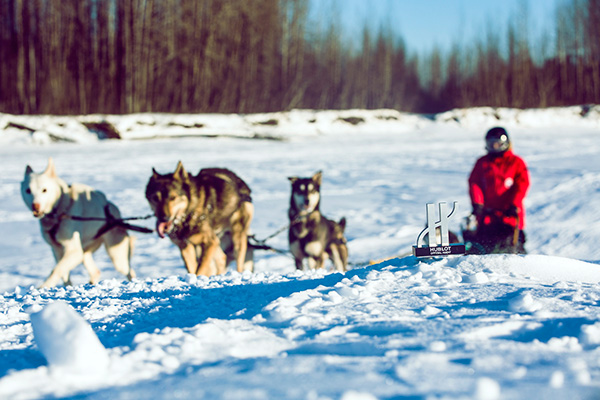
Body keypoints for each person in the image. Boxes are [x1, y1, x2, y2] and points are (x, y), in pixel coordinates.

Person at [467, 127, 530, 254]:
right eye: (491, 144)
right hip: (487, 216)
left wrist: (514, 203)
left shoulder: (516, 162)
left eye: (498, 143)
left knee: (511, 249)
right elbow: (474, 183)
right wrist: (477, 203)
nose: (495, 147)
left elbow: (522, 185)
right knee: (483, 248)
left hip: (509, 216)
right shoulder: (482, 163)